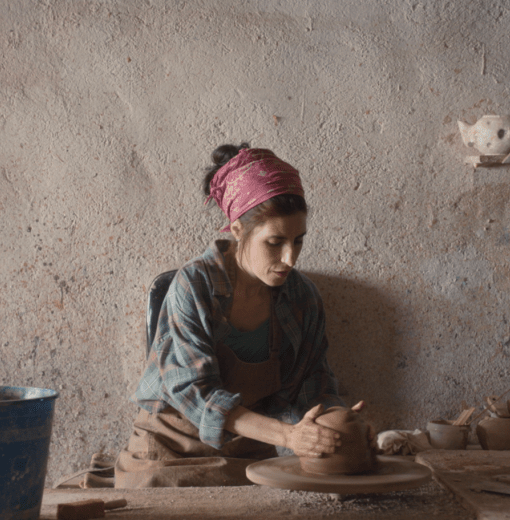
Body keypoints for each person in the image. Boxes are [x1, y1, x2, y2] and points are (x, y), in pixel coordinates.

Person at [112, 143, 367, 489]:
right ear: (237, 230)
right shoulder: (194, 286)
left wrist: (339, 425)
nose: (290, 259)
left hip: (250, 451)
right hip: (170, 448)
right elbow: (198, 393)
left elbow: (314, 384)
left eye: (298, 241)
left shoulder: (302, 297)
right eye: (275, 242)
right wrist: (289, 437)